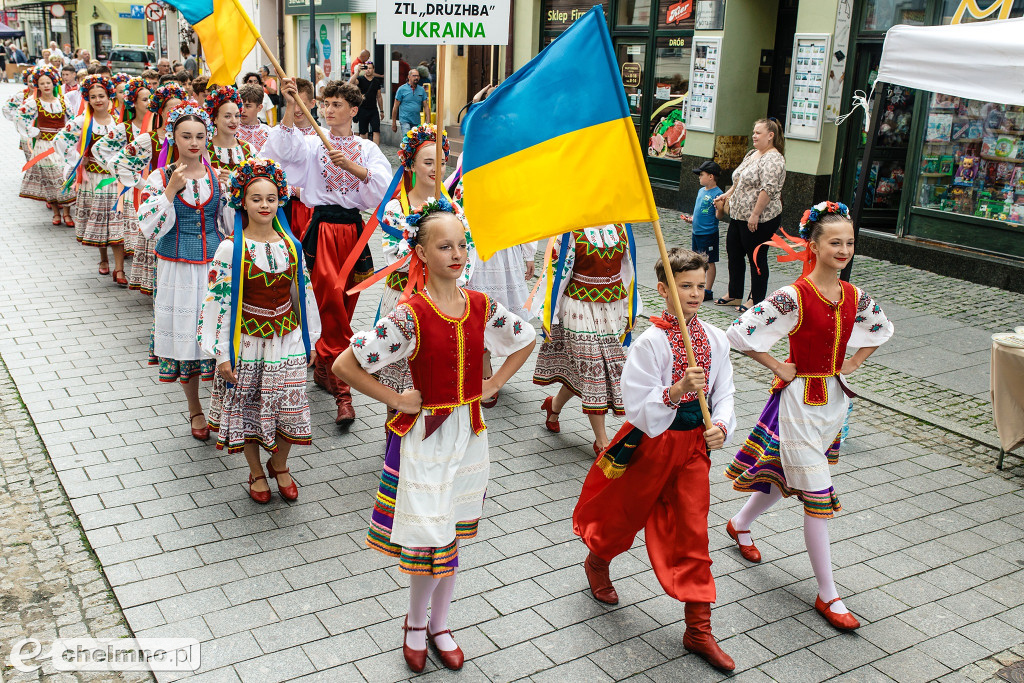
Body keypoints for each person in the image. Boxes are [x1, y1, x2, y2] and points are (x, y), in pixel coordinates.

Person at [334, 198, 536, 674]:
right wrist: (398, 397)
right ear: (421, 254)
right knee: (430, 539)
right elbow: (346, 363)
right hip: (426, 439)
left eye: (461, 244)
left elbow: (525, 337)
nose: (456, 253)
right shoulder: (410, 314)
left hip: (470, 433)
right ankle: (414, 623)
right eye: (444, 245)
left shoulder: (482, 305)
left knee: (455, 532)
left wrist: (495, 382)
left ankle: (441, 624)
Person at [724, 201, 894, 632]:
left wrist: (854, 363)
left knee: (786, 475)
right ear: (813, 246)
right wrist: (777, 365)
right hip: (798, 403)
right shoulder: (792, 295)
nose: (844, 249)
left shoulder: (854, 296)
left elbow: (882, 328)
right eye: (835, 242)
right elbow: (740, 332)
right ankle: (828, 593)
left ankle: (739, 522)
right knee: (818, 495)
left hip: (834, 403)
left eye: (850, 242)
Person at [573, 248, 736, 672]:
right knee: (621, 515)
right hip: (649, 445)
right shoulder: (649, 342)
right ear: (664, 289)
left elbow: (726, 392)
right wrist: (677, 389)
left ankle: (698, 629)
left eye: (701, 286)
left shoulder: (716, 339)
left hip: (691, 450)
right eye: (685, 286)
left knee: (693, 532)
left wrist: (719, 424)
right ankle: (598, 560)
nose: (695, 294)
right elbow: (638, 407)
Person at [262, 77, 391, 427]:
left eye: (337, 105)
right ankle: (343, 391)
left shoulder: (367, 149)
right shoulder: (312, 142)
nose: (329, 110)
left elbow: (382, 185)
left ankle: (323, 363)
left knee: (344, 303)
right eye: (326, 104)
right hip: (321, 231)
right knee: (331, 299)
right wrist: (289, 105)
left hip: (354, 231)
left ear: (353, 110)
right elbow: (282, 152)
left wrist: (350, 165)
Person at [200, 159, 321, 502]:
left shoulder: (291, 246)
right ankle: (256, 471)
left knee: (292, 408)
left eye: (271, 198)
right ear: (241, 201)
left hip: (288, 338)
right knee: (251, 409)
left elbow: (303, 294)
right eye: (256, 198)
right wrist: (222, 354)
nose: (265, 205)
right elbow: (217, 304)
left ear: (280, 200)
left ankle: (280, 464)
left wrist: (311, 339)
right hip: (248, 343)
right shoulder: (230, 249)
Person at [137, 101, 225, 441]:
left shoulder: (218, 176)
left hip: (215, 265)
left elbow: (228, 222)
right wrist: (170, 191)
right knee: (186, 336)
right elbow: (148, 226)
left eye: (200, 136)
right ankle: (195, 409)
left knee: (217, 333)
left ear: (208, 139)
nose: (193, 142)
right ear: (173, 137)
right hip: (176, 266)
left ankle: (220, 404)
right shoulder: (159, 177)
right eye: (186, 136)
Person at [369, 124, 475, 396]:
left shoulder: (454, 209)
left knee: (438, 373)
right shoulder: (396, 209)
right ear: (410, 165)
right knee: (400, 375)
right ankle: (395, 429)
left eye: (441, 163)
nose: (436, 169)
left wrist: (455, 276)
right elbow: (397, 257)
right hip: (404, 296)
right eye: (428, 162)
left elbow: (466, 251)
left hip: (444, 298)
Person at [533, 224, 640, 454]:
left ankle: (553, 405)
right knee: (593, 368)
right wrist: (549, 312)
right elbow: (558, 272)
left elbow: (628, 271)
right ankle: (602, 441)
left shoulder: (621, 227)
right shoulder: (571, 230)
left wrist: (632, 309)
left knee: (588, 369)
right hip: (579, 308)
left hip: (611, 311)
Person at [108, 82, 187, 296]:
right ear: (160, 111)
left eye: (180, 107)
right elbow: (117, 163)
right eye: (171, 108)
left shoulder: (192, 136)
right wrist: (145, 184)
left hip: (186, 203)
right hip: (161, 201)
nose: (176, 112)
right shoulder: (149, 139)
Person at [54, 74, 128, 284]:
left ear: (109, 96)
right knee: (100, 221)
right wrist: (78, 159)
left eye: (101, 96)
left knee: (117, 221)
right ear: (87, 98)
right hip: (95, 179)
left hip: (115, 179)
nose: (98, 100)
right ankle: (103, 259)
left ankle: (120, 270)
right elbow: (60, 140)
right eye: (93, 96)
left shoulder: (119, 120)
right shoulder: (83, 121)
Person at [712, 117, 786, 313]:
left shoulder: (774, 159)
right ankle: (734, 294)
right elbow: (738, 181)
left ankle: (756, 298)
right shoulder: (753, 154)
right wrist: (726, 195)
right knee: (734, 253)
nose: (754, 135)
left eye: (758, 133)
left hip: (760, 219)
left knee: (756, 258)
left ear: (770, 136)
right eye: (754, 132)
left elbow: (768, 189)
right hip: (738, 215)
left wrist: (755, 214)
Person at [93, 77, 152, 265]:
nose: (149, 102)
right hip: (130, 186)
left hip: (151, 183)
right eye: (144, 99)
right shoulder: (124, 128)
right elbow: (98, 148)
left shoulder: (157, 127)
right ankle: (119, 268)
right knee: (126, 228)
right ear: (133, 103)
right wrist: (117, 171)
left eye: (151, 98)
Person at [16, 66, 75, 225]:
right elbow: (20, 118)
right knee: (50, 179)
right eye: (42, 83)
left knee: (65, 177)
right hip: (44, 146)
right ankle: (56, 212)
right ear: (38, 86)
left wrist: (69, 135)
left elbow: (73, 120)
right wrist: (34, 132)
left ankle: (67, 213)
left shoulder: (63, 101)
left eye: (48, 82)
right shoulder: (34, 103)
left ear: (54, 83)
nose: (46, 86)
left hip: (61, 145)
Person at [682, 161, 724, 301]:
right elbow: (699, 210)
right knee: (697, 260)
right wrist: (692, 219)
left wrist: (720, 208)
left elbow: (719, 216)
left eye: (701, 174)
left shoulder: (718, 194)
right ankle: (697, 285)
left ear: (711, 176)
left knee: (709, 262)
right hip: (697, 232)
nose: (699, 177)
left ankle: (708, 290)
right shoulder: (701, 191)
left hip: (708, 233)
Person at [4, 67, 36, 163]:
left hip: (42, 133)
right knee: (30, 157)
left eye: (34, 81)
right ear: (26, 81)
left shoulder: (44, 95)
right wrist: (18, 120)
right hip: (26, 133)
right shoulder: (21, 95)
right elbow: (7, 108)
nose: (32, 84)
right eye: (30, 81)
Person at [350, 61, 383, 144]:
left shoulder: (376, 81)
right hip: (362, 109)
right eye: (366, 68)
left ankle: (376, 151)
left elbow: (379, 96)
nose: (368, 70)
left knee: (376, 130)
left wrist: (381, 110)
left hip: (373, 109)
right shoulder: (360, 79)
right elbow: (351, 82)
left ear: (373, 69)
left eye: (370, 68)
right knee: (363, 132)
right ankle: (364, 150)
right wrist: (357, 71)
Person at [391, 69, 429, 137]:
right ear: (409, 77)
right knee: (407, 140)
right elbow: (395, 107)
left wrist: (428, 121)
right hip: (405, 120)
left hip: (416, 121)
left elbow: (426, 106)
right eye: (414, 76)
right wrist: (394, 123)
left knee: (416, 141)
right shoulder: (402, 89)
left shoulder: (421, 90)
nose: (416, 78)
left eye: (418, 76)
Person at [236, 83, 271, 152]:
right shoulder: (232, 131)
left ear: (259, 108)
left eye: (248, 106)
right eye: (240, 105)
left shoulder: (268, 133)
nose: (242, 110)